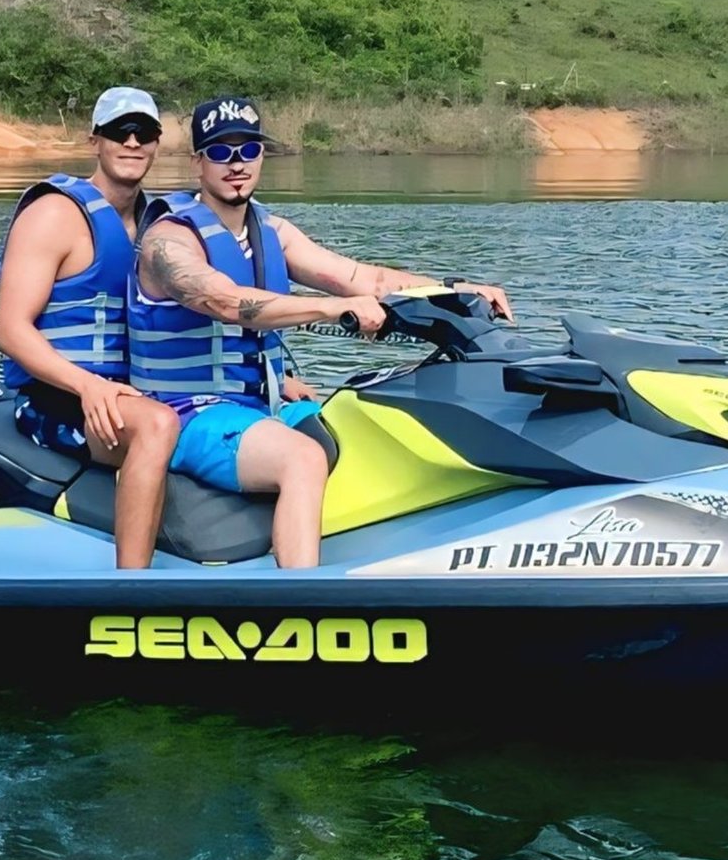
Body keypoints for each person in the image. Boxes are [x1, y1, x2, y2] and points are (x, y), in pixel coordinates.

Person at [128, 98, 516, 569]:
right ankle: (299, 595)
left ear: (262, 156)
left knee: (374, 428)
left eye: (248, 150)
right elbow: (224, 301)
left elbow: (365, 279)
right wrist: (331, 309)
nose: (236, 164)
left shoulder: (271, 231)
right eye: (220, 152)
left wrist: (456, 290)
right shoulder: (169, 239)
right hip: (186, 412)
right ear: (197, 163)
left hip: (261, 407)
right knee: (303, 458)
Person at [0, 86, 181, 570]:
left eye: (145, 132)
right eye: (120, 131)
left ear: (158, 143)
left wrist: (274, 377)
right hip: (58, 397)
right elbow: (10, 329)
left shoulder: (160, 225)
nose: (132, 142)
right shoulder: (54, 215)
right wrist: (88, 385)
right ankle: (131, 586)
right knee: (158, 425)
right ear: (94, 140)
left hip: (134, 390)